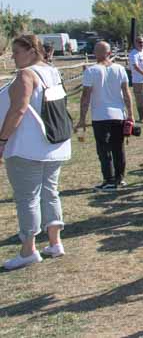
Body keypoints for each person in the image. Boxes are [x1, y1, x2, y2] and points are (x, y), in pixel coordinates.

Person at [0, 35, 72, 270]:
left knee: (28, 198)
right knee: (50, 192)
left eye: (17, 51)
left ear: (31, 51)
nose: (13, 56)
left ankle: (28, 249)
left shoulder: (26, 74)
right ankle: (54, 242)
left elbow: (18, 110)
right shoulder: (51, 71)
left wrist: (2, 140)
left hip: (28, 148)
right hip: (54, 145)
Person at [78, 40, 133, 192]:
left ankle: (109, 179)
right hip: (118, 115)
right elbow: (127, 93)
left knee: (104, 149)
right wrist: (131, 114)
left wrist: (82, 119)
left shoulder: (91, 71)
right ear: (109, 53)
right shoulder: (120, 69)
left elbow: (85, 97)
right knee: (118, 147)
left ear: (97, 53)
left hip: (100, 116)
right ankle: (119, 178)